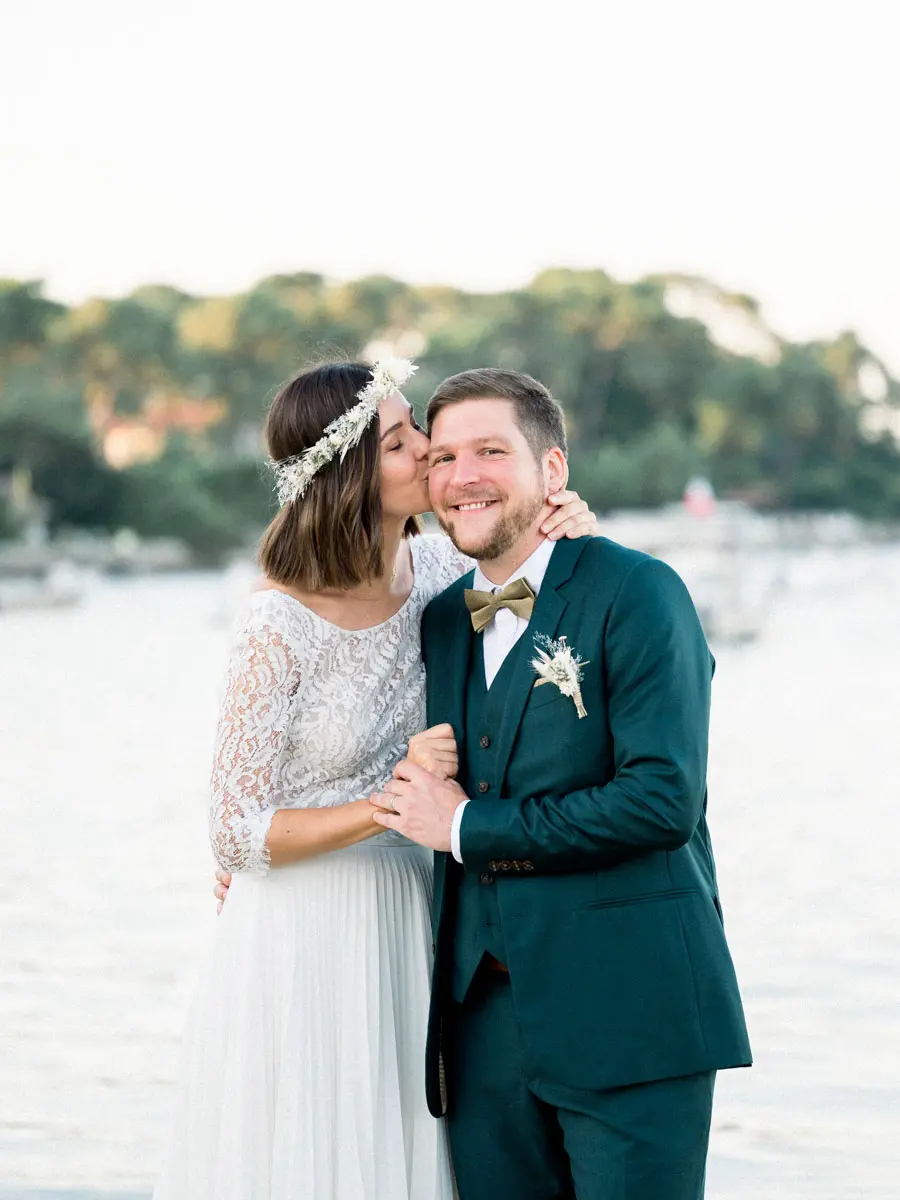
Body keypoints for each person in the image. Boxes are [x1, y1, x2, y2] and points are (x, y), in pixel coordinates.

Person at [153, 358, 598, 1200]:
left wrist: (565, 528)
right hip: (306, 934)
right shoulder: (276, 622)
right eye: (402, 440)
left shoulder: (438, 577)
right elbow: (234, 832)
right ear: (352, 474)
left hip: (417, 913)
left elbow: (546, 622)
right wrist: (392, 802)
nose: (431, 451)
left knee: (407, 1150)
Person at [369, 368, 753, 1200]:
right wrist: (260, 838)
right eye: (445, 457)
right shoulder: (438, 617)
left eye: (492, 451)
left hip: (632, 1011)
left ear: (553, 472)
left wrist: (468, 827)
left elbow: (661, 799)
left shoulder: (641, 592)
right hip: (480, 1029)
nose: (462, 475)